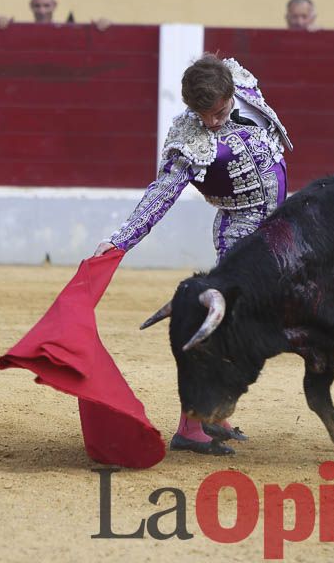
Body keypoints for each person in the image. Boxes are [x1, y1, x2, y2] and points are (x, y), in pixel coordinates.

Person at [93, 54, 293, 455]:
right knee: (224, 328)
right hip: (240, 234)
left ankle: (215, 416)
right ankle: (192, 426)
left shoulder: (243, 86)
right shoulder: (189, 143)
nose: (212, 123)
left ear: (231, 94)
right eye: (203, 115)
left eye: (218, 112)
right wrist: (120, 240)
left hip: (278, 228)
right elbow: (161, 195)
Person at [0, 0, 111, 30]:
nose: (42, 11)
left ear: (54, 6)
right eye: (37, 6)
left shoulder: (67, 32)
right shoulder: (20, 32)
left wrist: (105, 25)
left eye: (46, 6)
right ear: (31, 6)